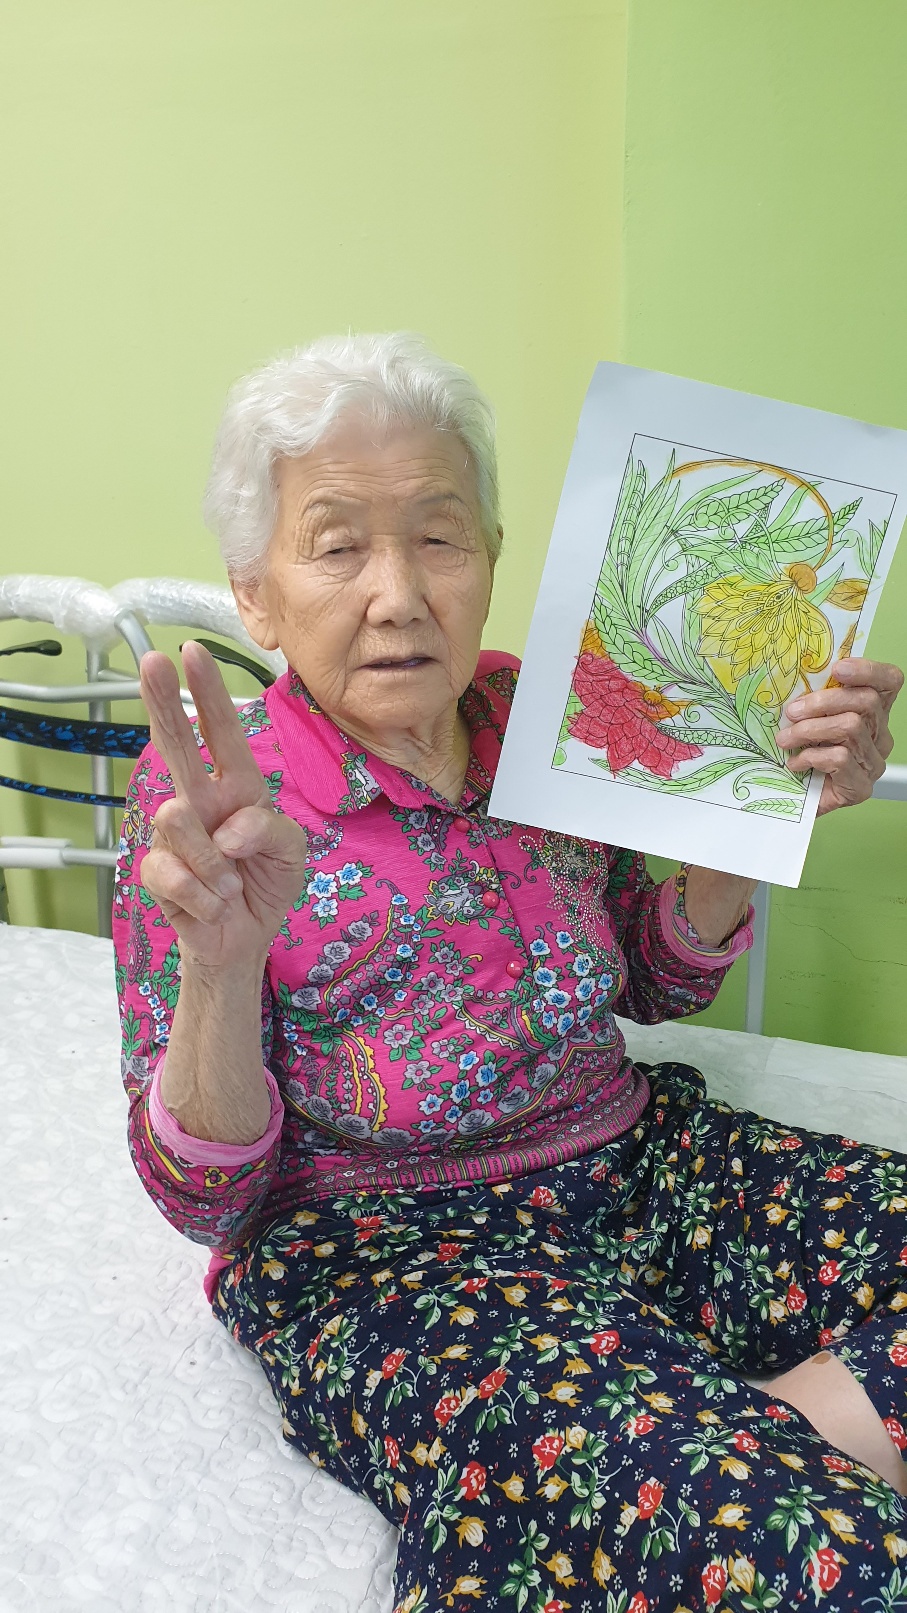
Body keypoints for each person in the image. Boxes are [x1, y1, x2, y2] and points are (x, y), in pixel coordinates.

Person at [115, 333, 907, 1613]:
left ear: (488, 551)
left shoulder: (545, 716)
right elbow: (204, 1197)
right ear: (254, 595)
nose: (398, 594)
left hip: (635, 1162)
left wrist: (761, 809)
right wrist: (223, 961)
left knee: (708, 1487)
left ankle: (713, 1452)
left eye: (439, 536)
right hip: (388, 1249)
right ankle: (698, 1476)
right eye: (336, 545)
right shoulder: (212, 800)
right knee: (810, 1552)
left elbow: (654, 981)